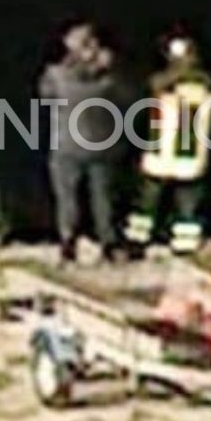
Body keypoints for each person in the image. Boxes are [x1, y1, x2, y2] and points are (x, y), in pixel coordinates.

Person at [38, 22, 130, 264]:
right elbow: (128, 100)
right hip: (104, 145)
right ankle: (108, 244)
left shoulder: (55, 76)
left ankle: (68, 244)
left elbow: (46, 97)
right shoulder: (110, 80)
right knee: (103, 199)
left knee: (67, 199)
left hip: (66, 144)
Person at [127, 34, 211, 256]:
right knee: (158, 202)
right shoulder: (199, 84)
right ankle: (143, 240)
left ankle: (170, 243)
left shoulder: (196, 84)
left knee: (175, 201)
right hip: (175, 153)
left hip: (173, 153)